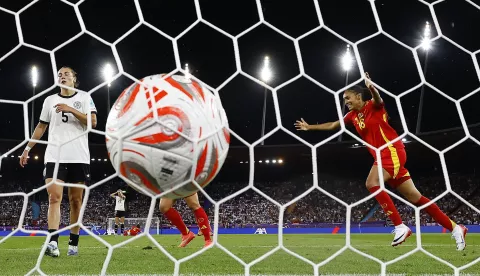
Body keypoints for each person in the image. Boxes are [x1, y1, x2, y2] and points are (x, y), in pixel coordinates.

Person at [294, 72, 468, 250]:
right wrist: (310, 127)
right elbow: (333, 125)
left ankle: (400, 226)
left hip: (392, 150)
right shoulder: (352, 116)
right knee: (415, 197)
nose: (345, 101)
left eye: (348, 98)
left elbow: (378, 100)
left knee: (372, 182)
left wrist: (372, 88)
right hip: (383, 157)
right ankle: (456, 228)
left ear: (358, 96)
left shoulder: (373, 106)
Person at [20, 66, 97, 257]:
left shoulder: (85, 97)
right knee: (54, 197)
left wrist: (71, 109)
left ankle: (73, 243)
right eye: (59, 75)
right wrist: (27, 148)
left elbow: (93, 123)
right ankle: (53, 243)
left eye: (66, 74)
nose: (62, 77)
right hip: (55, 155)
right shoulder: (50, 100)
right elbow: (40, 127)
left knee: (76, 201)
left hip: (79, 156)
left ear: (74, 78)